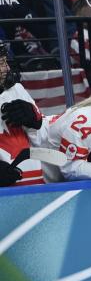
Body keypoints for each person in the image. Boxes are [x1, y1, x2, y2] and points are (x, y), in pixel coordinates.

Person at [0, 41, 44, 186]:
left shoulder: (16, 90)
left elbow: (40, 138)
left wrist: (34, 118)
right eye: (1, 63)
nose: (6, 68)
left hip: (32, 179)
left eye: (5, 61)